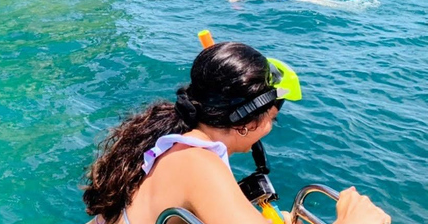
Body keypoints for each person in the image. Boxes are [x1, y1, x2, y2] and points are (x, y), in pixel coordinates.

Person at [82, 42, 391, 224]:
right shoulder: (198, 166)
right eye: (272, 118)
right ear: (246, 123)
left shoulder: (174, 143)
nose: (270, 128)